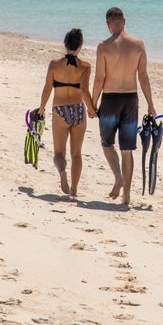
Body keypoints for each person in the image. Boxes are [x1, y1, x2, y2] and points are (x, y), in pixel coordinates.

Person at [91, 7, 156, 207]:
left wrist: (93, 103)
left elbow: (99, 78)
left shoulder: (103, 46)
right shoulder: (138, 45)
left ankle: (118, 177)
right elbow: (143, 76)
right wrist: (151, 105)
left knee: (107, 143)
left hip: (110, 100)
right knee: (127, 149)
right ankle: (126, 197)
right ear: (124, 21)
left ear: (108, 25)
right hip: (130, 100)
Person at [38, 28, 94, 199]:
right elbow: (85, 91)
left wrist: (41, 108)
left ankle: (62, 172)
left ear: (65, 44)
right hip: (78, 110)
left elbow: (47, 89)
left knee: (59, 153)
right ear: (80, 46)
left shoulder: (54, 64)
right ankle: (74, 190)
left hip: (60, 110)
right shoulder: (85, 66)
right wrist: (92, 109)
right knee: (76, 154)